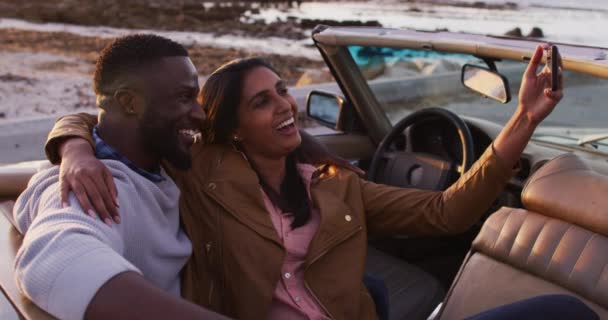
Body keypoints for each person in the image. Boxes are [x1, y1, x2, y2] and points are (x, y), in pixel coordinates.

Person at [43, 45, 587, 320]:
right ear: (225, 127)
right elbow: (116, 120)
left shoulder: (333, 182)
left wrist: (525, 120)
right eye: (262, 101)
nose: (286, 104)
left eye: (283, 91)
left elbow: (446, 213)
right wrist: (73, 146)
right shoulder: (199, 172)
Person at [12, 34, 227, 320]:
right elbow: (56, 257)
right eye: (184, 97)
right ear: (129, 102)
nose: (200, 115)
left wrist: (73, 146)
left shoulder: (160, 164)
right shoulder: (97, 189)